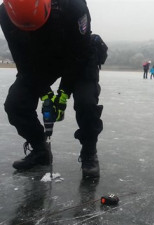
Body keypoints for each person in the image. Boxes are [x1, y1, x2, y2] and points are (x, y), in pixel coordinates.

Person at [0, 0, 108, 178]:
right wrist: (45, 93)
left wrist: (63, 94)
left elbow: (80, 53)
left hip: (77, 57)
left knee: (86, 103)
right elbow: (22, 60)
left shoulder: (74, 6)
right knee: (15, 104)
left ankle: (89, 153)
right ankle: (41, 150)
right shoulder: (5, 13)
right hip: (40, 60)